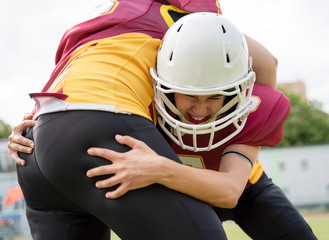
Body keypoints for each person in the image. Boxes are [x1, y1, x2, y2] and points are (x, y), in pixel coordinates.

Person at [9, 12, 317, 240]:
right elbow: (82, 88)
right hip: (175, 189)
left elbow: (230, 191)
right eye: (189, 95)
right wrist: (35, 119)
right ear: (163, 85)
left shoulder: (255, 105)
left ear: (237, 92)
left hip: (243, 190)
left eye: (215, 97)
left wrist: (161, 169)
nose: (200, 109)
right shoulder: (139, 97)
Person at [8, 2, 232, 240]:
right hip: (100, 125)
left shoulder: (102, 15)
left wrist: (40, 122)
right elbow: (261, 60)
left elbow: (79, 74)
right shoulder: (180, 14)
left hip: (35, 143)